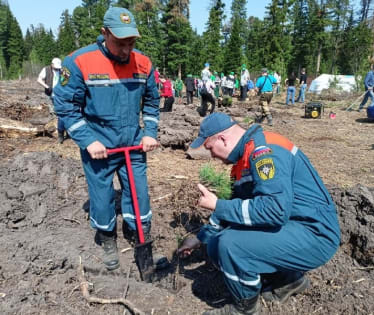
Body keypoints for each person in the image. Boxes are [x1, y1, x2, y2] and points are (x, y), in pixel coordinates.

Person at [179, 112, 340, 315]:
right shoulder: (243, 159)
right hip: (295, 227)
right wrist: (200, 239)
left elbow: (275, 211)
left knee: (229, 244)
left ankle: (244, 309)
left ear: (222, 138)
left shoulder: (264, 152)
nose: (211, 155)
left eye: (210, 147)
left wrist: (218, 205)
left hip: (315, 235)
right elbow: (234, 208)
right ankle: (288, 281)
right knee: (215, 243)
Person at [54, 7, 167, 271]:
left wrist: (149, 133)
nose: (127, 50)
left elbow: (152, 101)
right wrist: (87, 140)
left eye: (131, 43)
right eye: (120, 43)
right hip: (99, 146)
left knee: (139, 193)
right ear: (105, 33)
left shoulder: (144, 63)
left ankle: (141, 234)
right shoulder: (79, 61)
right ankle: (107, 238)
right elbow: (65, 105)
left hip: (133, 143)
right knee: (102, 196)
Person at [37, 57, 66, 143]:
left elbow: (67, 81)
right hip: (51, 94)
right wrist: (47, 87)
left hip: (61, 94)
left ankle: (64, 131)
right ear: (52, 64)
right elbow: (39, 79)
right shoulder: (46, 69)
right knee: (56, 112)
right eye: (56, 67)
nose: (57, 69)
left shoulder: (63, 70)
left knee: (62, 112)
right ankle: (58, 132)